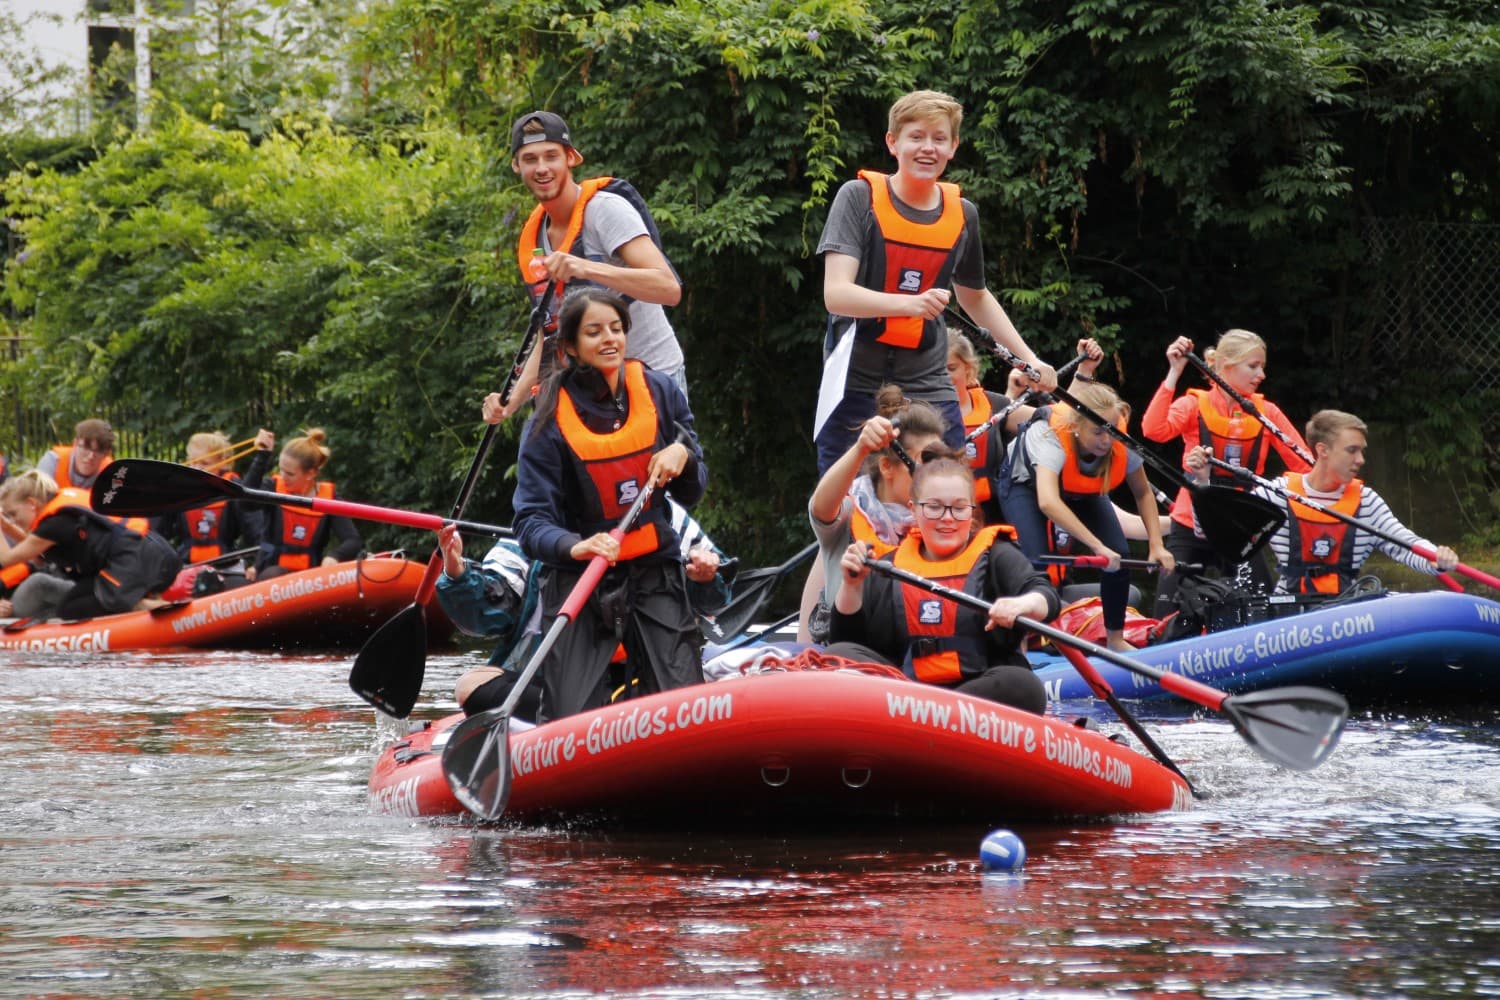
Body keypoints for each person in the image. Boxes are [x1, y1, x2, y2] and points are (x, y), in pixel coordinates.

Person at [813, 88, 1056, 475]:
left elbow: (975, 295)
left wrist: (1029, 359)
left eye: (939, 139)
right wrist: (908, 304)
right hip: (855, 372)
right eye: (917, 137)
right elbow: (836, 294)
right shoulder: (857, 198)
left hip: (925, 375)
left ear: (953, 147)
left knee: (946, 481)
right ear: (893, 143)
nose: (928, 148)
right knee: (846, 497)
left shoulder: (964, 215)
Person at [507, 288, 707, 723]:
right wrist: (574, 546)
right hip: (580, 577)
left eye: (616, 329)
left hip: (654, 568)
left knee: (682, 703)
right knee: (570, 714)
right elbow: (530, 521)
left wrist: (685, 458)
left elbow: (692, 491)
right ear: (571, 348)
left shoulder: (660, 390)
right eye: (594, 332)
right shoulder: (545, 420)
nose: (610, 339)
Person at [441, 497, 734, 719]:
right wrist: (456, 573)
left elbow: (717, 604)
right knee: (472, 685)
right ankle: (582, 722)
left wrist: (706, 579)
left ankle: (632, 717)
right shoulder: (536, 524)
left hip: (646, 682)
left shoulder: (665, 515)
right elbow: (488, 614)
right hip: (558, 687)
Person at [494, 110, 686, 419]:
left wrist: (584, 268)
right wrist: (510, 401)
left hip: (653, 380)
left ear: (571, 158)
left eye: (551, 156)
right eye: (530, 159)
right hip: (593, 393)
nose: (542, 168)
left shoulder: (606, 211)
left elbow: (669, 288)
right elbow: (548, 333)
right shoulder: (536, 240)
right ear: (517, 166)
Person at [830, 457, 1056, 714]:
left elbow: (1046, 598)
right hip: (903, 692)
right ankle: (921, 714)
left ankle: (931, 714)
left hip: (975, 696)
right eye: (934, 507)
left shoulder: (997, 556)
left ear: (972, 511)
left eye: (959, 508)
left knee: (1023, 686)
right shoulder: (888, 566)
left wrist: (1020, 604)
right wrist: (851, 586)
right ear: (913, 510)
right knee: (838, 654)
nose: (947, 518)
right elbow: (843, 640)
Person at [1185, 409, 1459, 595]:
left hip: (1346, 610)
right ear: (1323, 451)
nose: (1361, 460)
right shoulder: (1278, 493)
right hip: (1289, 615)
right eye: (1352, 451)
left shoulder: (1366, 502)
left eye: (1362, 451)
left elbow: (1408, 546)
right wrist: (1201, 482)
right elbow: (1212, 532)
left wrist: (1437, 559)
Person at [1141, 329, 1312, 615]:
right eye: (1253, 366)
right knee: (1164, 611)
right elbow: (1153, 430)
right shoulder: (1194, 404)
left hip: (1240, 524)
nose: (1262, 375)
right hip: (1191, 518)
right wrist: (1174, 371)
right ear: (1226, 367)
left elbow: (1304, 466)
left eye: (1262, 367)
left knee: (1261, 607)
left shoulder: (1266, 412)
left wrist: (1274, 498)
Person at [1002, 382, 1175, 651]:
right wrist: (1096, 546)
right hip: (1024, 484)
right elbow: (1048, 501)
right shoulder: (1050, 435)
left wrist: (1156, 544)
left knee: (1119, 553)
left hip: (1079, 488)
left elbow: (1142, 493)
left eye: (1111, 429)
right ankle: (1021, 644)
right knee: (1033, 562)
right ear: (1075, 427)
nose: (1107, 439)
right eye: (1097, 431)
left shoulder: (1118, 441)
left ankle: (1115, 639)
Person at [800, 387, 948, 643]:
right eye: (925, 460)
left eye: (939, 462)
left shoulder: (945, 520)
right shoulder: (848, 516)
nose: (934, 473)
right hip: (849, 656)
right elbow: (820, 508)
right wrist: (861, 448)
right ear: (887, 467)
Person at [0, 470, 181, 619]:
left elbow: (7, 559)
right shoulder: (58, 513)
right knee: (70, 604)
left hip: (135, 564)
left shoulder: (53, 526)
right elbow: (36, 555)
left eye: (13, 514)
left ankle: (155, 609)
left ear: (31, 504)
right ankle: (148, 603)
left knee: (73, 610)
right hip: (158, 556)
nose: (13, 520)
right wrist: (5, 525)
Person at [243, 428, 362, 581]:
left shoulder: (329, 498)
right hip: (270, 571)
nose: (283, 477)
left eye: (290, 474)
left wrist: (335, 556)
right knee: (274, 575)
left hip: (310, 578)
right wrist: (262, 456)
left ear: (311, 474)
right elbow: (246, 504)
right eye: (281, 470)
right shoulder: (273, 487)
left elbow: (353, 540)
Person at [154, 431, 263, 591]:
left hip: (227, 567)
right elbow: (159, 531)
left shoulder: (233, 489)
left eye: (204, 463)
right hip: (188, 567)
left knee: (243, 589)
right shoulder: (179, 489)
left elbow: (255, 529)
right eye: (192, 462)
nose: (196, 468)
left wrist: (256, 565)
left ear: (222, 463)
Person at [37, 418, 115, 491]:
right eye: (86, 448)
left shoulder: (111, 471)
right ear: (75, 444)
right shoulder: (53, 462)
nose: (91, 456)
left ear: (106, 454)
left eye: (98, 451)